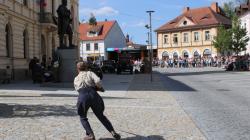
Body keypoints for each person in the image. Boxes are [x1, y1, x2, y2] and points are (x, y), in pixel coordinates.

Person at [74, 62, 121, 140]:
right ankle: (112, 132)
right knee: (100, 115)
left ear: (77, 69)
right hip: (93, 95)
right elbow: (98, 81)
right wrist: (99, 88)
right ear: (86, 67)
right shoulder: (90, 73)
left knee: (83, 117)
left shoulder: (76, 78)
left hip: (83, 96)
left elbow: (78, 89)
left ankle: (91, 135)